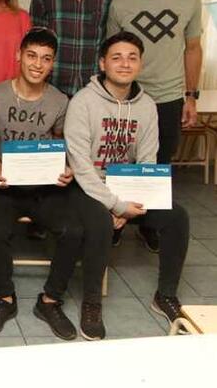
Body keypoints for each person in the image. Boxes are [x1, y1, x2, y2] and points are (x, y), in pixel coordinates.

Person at [65, 31, 190, 339]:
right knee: (99, 223)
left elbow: (147, 159)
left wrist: (132, 203)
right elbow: (80, 164)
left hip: (132, 188)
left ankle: (166, 295)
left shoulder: (147, 106)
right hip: (91, 187)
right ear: (103, 63)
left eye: (132, 57)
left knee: (177, 217)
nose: (124, 64)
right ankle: (92, 303)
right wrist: (115, 205)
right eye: (117, 57)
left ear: (140, 64)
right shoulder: (83, 102)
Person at [0, 28, 91, 341]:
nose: (37, 64)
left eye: (45, 59)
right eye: (31, 56)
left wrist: (66, 168)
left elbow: (61, 143)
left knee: (74, 231)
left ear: (52, 63)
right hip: (7, 185)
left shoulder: (59, 100)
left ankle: (50, 300)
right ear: (19, 56)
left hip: (44, 187)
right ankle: (5, 299)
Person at [106, 0, 203, 252]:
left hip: (168, 98)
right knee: (121, 161)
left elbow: (192, 48)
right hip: (128, 98)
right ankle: (117, 221)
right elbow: (111, 52)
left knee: (159, 165)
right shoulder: (121, 4)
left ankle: (150, 224)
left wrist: (191, 96)